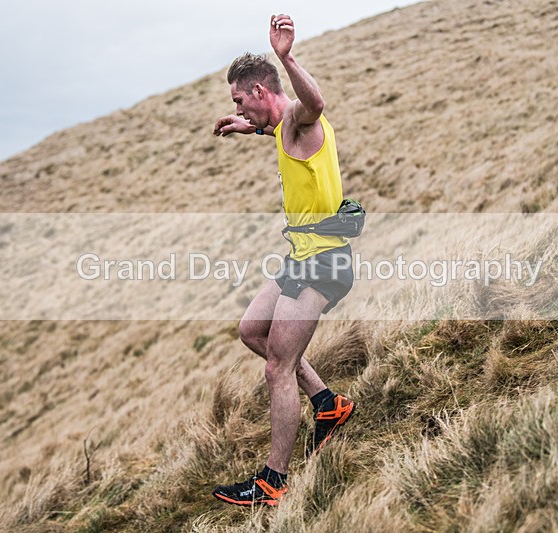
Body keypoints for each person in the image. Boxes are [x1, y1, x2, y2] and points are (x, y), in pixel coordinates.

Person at [210, 14, 356, 507]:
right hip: (303, 258)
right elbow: (279, 130)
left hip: (324, 263)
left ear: (258, 89)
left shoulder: (299, 117)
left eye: (238, 101)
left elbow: (312, 104)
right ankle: (327, 404)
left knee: (278, 366)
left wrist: (287, 57)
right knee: (252, 330)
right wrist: (245, 127)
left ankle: (272, 483)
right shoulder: (281, 128)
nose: (236, 108)